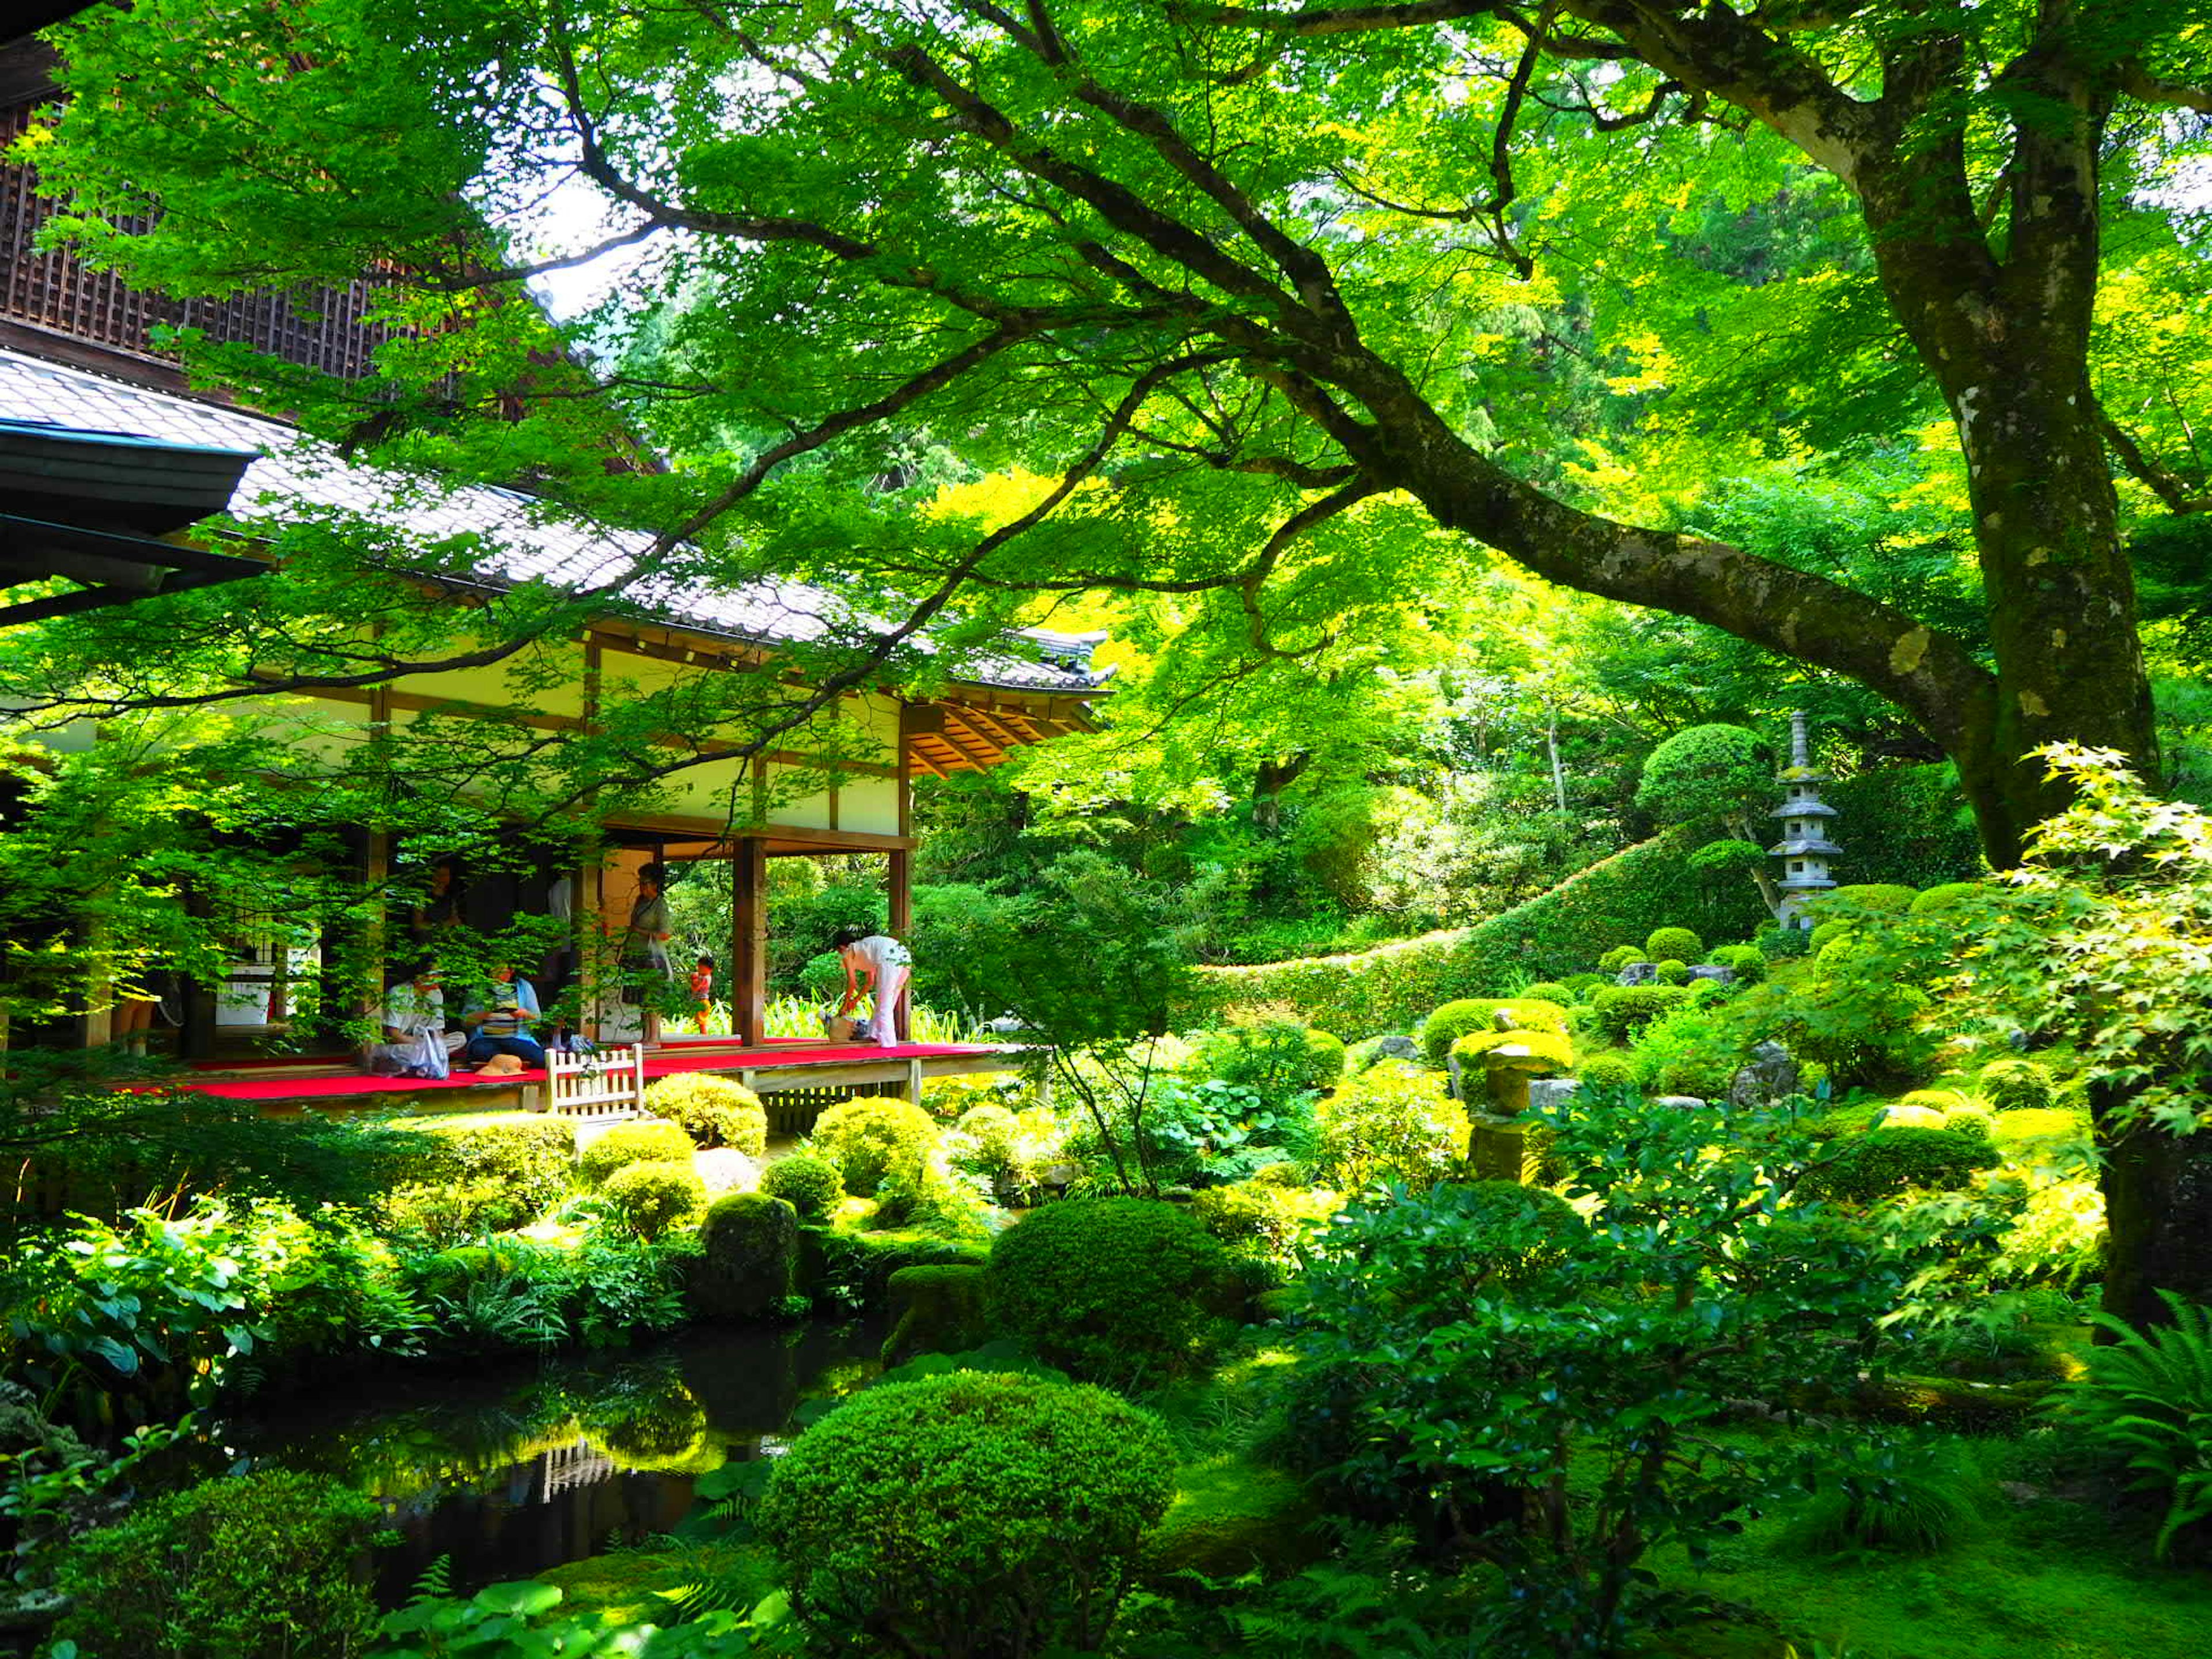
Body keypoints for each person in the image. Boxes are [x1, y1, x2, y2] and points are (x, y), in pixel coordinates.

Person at [834, 926, 912, 1051]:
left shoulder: (848, 952)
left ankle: (889, 1043)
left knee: (884, 1005)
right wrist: (855, 1001)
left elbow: (852, 983)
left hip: (890, 958)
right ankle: (873, 1034)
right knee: (887, 1003)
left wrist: (844, 1006)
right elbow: (869, 982)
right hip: (905, 958)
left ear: (842, 947)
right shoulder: (865, 948)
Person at [622, 863, 675, 1043]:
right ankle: (645, 1037)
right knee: (642, 998)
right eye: (641, 882)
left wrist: (641, 931)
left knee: (653, 997)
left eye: (646, 883)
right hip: (636, 954)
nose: (643, 886)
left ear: (655, 884)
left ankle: (654, 1038)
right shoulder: (640, 901)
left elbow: (665, 933)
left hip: (653, 957)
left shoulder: (660, 904)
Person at [371, 964, 449, 1080]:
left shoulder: (436, 994)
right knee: (414, 1051)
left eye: (440, 974)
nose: (439, 978)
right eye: (434, 974)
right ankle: (425, 1060)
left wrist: (436, 1044)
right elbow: (394, 1035)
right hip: (401, 1045)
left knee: (460, 1038)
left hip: (426, 1045)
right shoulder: (399, 993)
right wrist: (425, 1046)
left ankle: (421, 1061)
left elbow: (438, 1031)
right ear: (420, 976)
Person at [459, 963, 544, 1070]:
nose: (499, 975)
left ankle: (506, 1062)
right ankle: (510, 1062)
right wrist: (484, 1013)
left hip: (516, 1038)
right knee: (481, 1052)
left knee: (540, 1058)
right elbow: (465, 1022)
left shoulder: (523, 987)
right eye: (496, 971)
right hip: (486, 1039)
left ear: (511, 972)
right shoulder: (480, 988)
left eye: (503, 972)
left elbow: (538, 1020)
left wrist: (525, 1014)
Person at [690, 953, 715, 1035]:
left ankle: (704, 1035)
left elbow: (695, 988)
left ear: (709, 969)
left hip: (703, 1002)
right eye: (698, 967)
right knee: (700, 1021)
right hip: (701, 1001)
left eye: (701, 967)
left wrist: (693, 979)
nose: (699, 969)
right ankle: (703, 1035)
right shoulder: (704, 977)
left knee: (702, 1022)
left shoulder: (704, 978)